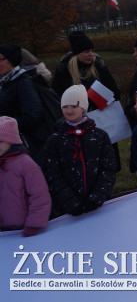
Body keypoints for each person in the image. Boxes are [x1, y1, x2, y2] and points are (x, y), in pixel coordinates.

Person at [42, 85, 117, 217]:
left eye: (74, 106)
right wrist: (70, 202)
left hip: (100, 204)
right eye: (65, 106)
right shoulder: (54, 141)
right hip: (70, 210)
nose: (69, 110)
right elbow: (53, 175)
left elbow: (108, 168)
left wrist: (98, 196)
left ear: (84, 107)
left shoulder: (100, 136)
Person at [0, 116, 51, 236]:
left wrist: (34, 223)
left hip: (25, 228)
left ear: (11, 139)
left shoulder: (25, 164)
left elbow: (40, 195)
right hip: (4, 232)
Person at [0, 44, 49, 161]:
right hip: (10, 145)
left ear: (11, 60)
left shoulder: (23, 83)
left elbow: (32, 116)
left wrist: (4, 125)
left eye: (0, 59)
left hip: (27, 147)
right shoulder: (5, 83)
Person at [53, 32, 120, 109]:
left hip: (101, 114)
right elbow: (57, 97)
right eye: (87, 51)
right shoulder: (64, 70)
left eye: (92, 51)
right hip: (75, 116)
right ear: (77, 54)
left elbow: (114, 91)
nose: (91, 54)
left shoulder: (99, 66)